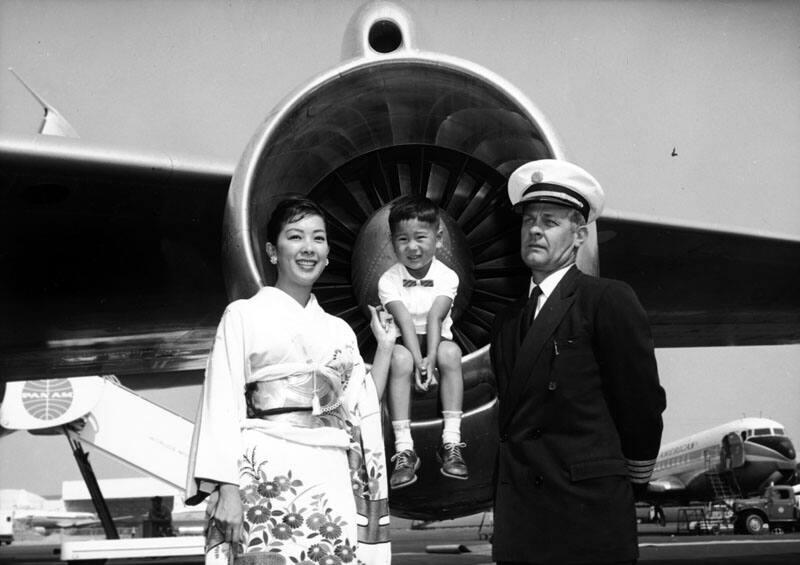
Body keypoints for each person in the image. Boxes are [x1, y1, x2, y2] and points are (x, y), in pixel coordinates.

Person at [186, 196, 395, 565]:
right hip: (265, 466)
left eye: (318, 238)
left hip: (330, 469)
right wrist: (228, 488)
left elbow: (359, 406)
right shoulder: (243, 314)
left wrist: (385, 347)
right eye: (295, 237)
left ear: (328, 251)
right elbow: (221, 400)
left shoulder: (339, 330)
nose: (308, 248)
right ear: (272, 250)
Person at [489, 159, 666, 564]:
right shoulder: (506, 321)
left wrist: (630, 479)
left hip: (585, 512)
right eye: (528, 220)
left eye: (549, 221)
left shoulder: (606, 300)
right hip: (522, 524)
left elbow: (640, 403)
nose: (534, 229)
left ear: (580, 235)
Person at [375, 195, 468, 489]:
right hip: (404, 343)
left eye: (420, 238)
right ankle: (404, 448)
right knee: (399, 359)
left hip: (438, 339)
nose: (412, 247)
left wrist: (429, 360)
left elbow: (435, 320)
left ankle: (451, 442)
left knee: (451, 354)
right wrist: (418, 362)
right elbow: (403, 322)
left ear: (438, 238)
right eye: (402, 239)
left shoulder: (447, 276)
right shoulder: (387, 281)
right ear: (392, 242)